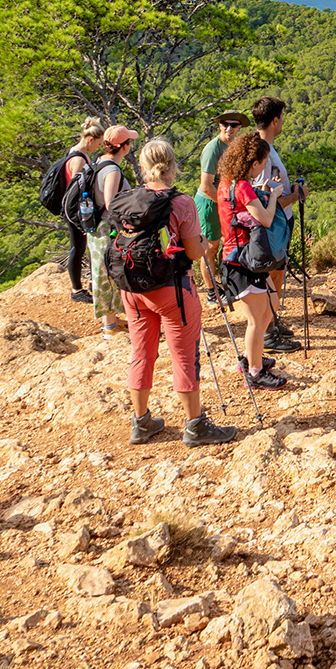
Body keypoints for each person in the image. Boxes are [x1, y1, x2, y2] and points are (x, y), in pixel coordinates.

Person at [120, 138, 238, 447]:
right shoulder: (181, 202)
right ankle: (195, 425)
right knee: (184, 356)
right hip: (172, 289)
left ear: (142, 168)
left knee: (141, 353)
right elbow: (196, 253)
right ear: (173, 167)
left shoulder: (127, 199)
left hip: (132, 289)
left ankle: (141, 422)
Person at [216, 130, 289, 390]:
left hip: (237, 257)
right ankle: (255, 372)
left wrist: (261, 192)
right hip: (244, 260)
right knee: (257, 320)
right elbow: (265, 219)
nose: (263, 168)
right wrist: (274, 196)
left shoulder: (226, 183)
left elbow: (239, 206)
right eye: (262, 163)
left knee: (272, 304)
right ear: (253, 163)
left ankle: (251, 356)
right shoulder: (244, 186)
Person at [251, 96, 305, 353]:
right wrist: (297, 195)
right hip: (273, 227)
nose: (283, 122)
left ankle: (272, 321)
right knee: (271, 276)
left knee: (276, 274)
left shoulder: (263, 148)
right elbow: (262, 200)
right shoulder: (263, 153)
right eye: (282, 117)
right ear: (275, 121)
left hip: (275, 225)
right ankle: (269, 332)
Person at [90, 125, 138, 341]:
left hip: (96, 228)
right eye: (129, 142)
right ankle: (110, 326)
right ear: (125, 147)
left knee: (103, 273)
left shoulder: (98, 162)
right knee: (114, 273)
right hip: (108, 229)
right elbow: (111, 204)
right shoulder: (112, 170)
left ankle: (110, 323)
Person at [194, 111, 247, 302]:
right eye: (225, 124)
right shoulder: (212, 150)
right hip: (210, 203)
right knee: (210, 247)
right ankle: (211, 293)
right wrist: (229, 204)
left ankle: (228, 285)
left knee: (228, 244)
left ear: (239, 127)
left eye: (234, 125)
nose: (229, 128)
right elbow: (206, 186)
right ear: (219, 125)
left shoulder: (234, 147)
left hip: (225, 200)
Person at [63, 117, 105, 304]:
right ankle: (76, 290)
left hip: (75, 210)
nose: (98, 147)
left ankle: (86, 284)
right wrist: (82, 219)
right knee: (77, 248)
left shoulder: (75, 152)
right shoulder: (79, 159)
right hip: (76, 211)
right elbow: (77, 191)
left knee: (84, 246)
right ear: (90, 140)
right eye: (98, 143)